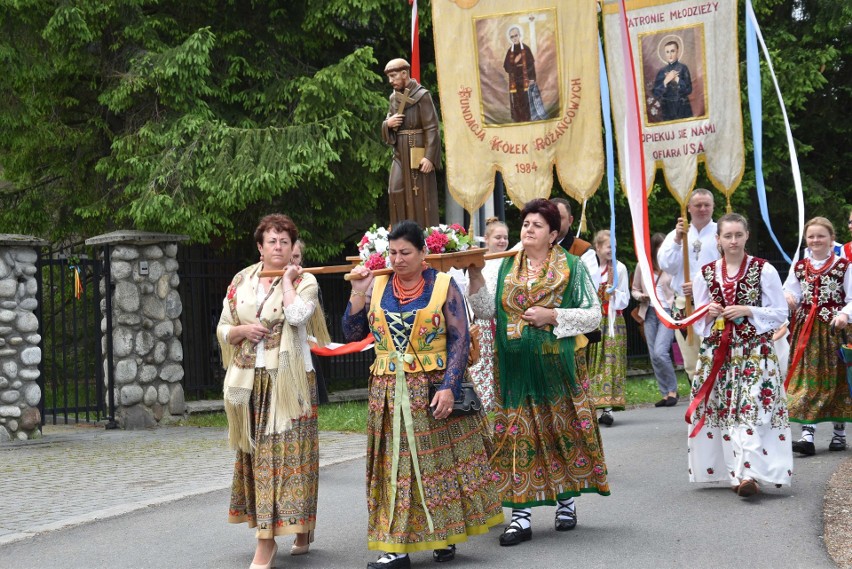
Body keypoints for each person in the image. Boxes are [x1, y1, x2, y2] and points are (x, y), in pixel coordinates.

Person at [343, 221, 503, 569]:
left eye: (405, 253)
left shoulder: (444, 285)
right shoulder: (378, 284)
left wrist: (449, 386)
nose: (397, 259)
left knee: (440, 466)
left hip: (431, 387)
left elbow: (460, 339)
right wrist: (357, 292)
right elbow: (353, 331)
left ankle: (442, 534)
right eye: (393, 252)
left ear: (424, 253)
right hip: (388, 392)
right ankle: (396, 548)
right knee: (395, 468)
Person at [467, 198, 609, 546]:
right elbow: (486, 311)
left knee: (557, 430)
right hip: (514, 369)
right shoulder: (502, 268)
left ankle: (566, 501)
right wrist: (473, 274)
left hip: (556, 368)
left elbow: (593, 315)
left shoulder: (572, 268)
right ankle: (521, 516)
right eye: (526, 224)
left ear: (554, 234)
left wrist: (554, 316)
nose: (528, 230)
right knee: (516, 435)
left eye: (536, 226)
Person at [216, 214, 331, 569]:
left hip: (290, 380)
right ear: (260, 246)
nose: (278, 247)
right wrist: (241, 332)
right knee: (261, 459)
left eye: (285, 241)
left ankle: (288, 533)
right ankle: (274, 533)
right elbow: (223, 326)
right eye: (272, 241)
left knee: (294, 457)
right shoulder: (241, 280)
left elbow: (297, 316)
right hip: (251, 381)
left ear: (292, 246)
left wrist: (288, 283)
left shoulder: (305, 280)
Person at [687, 213, 792, 497]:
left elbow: (781, 313)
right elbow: (697, 322)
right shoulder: (705, 273)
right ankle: (737, 474)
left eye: (738, 235)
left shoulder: (764, 270)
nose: (733, 241)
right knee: (724, 412)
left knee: (751, 409)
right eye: (727, 236)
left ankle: (749, 474)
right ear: (718, 239)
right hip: (718, 354)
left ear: (746, 236)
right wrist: (706, 313)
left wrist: (748, 310)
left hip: (754, 353)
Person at [783, 217, 851, 455]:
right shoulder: (800, 266)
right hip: (807, 332)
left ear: (832, 239)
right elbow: (791, 291)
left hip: (835, 331)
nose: (815, 240)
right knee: (807, 381)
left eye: (821, 236)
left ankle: (839, 434)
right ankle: (807, 436)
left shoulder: (844, 266)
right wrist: (789, 298)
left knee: (836, 380)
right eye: (811, 236)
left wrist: (844, 314)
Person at [658, 188, 719, 382]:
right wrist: (677, 239)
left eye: (706, 205)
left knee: (714, 356)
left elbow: (731, 267)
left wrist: (701, 285)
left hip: (712, 304)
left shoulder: (722, 233)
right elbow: (666, 265)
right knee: (691, 360)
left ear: (713, 207)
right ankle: (698, 406)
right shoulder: (676, 235)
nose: (702, 209)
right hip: (685, 306)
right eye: (698, 205)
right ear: (689, 208)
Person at [381, 58, 441, 227]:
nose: (390, 81)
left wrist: (429, 157)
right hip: (400, 153)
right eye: (389, 77)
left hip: (417, 151)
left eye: (393, 76)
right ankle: (399, 231)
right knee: (395, 190)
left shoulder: (422, 95)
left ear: (404, 73)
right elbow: (388, 122)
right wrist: (388, 124)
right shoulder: (394, 98)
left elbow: (432, 127)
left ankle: (420, 232)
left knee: (419, 195)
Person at [586, 230, 630, 426]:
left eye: (614, 247)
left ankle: (608, 408)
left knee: (610, 361)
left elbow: (625, 299)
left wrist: (614, 293)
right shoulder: (591, 268)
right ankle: (592, 404)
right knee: (594, 361)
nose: (611, 250)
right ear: (598, 248)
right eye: (608, 246)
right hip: (596, 321)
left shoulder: (619, 268)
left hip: (612, 321)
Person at [467, 217, 510, 412]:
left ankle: (504, 400)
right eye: (498, 237)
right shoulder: (481, 264)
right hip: (485, 322)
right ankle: (482, 403)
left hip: (505, 319)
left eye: (505, 238)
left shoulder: (512, 261)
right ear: (486, 238)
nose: (502, 241)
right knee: (483, 363)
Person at [632, 232, 678, 407]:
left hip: (666, 312)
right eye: (657, 248)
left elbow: (678, 288)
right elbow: (634, 289)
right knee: (653, 354)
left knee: (660, 352)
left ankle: (673, 390)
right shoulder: (642, 266)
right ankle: (665, 393)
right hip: (649, 312)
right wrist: (640, 296)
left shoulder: (671, 266)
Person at [290, 239, 330, 405]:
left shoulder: (307, 281)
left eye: (296, 256)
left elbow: (302, 316)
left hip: (302, 343)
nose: (292, 261)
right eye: (289, 256)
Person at [503, 25, 546, 122]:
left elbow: (531, 64)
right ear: (510, 38)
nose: (514, 38)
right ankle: (518, 118)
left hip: (525, 79)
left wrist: (531, 78)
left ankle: (527, 118)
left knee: (527, 99)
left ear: (519, 35)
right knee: (516, 100)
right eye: (512, 37)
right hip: (515, 80)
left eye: (515, 35)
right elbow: (506, 66)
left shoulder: (526, 49)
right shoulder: (510, 51)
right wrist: (513, 63)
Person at [651, 40, 694, 121]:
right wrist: (666, 80)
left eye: (672, 51)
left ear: (677, 51)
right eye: (667, 52)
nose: (670, 55)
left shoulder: (683, 68)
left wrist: (677, 79)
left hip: (683, 108)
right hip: (667, 109)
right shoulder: (661, 71)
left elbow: (689, 90)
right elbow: (656, 93)